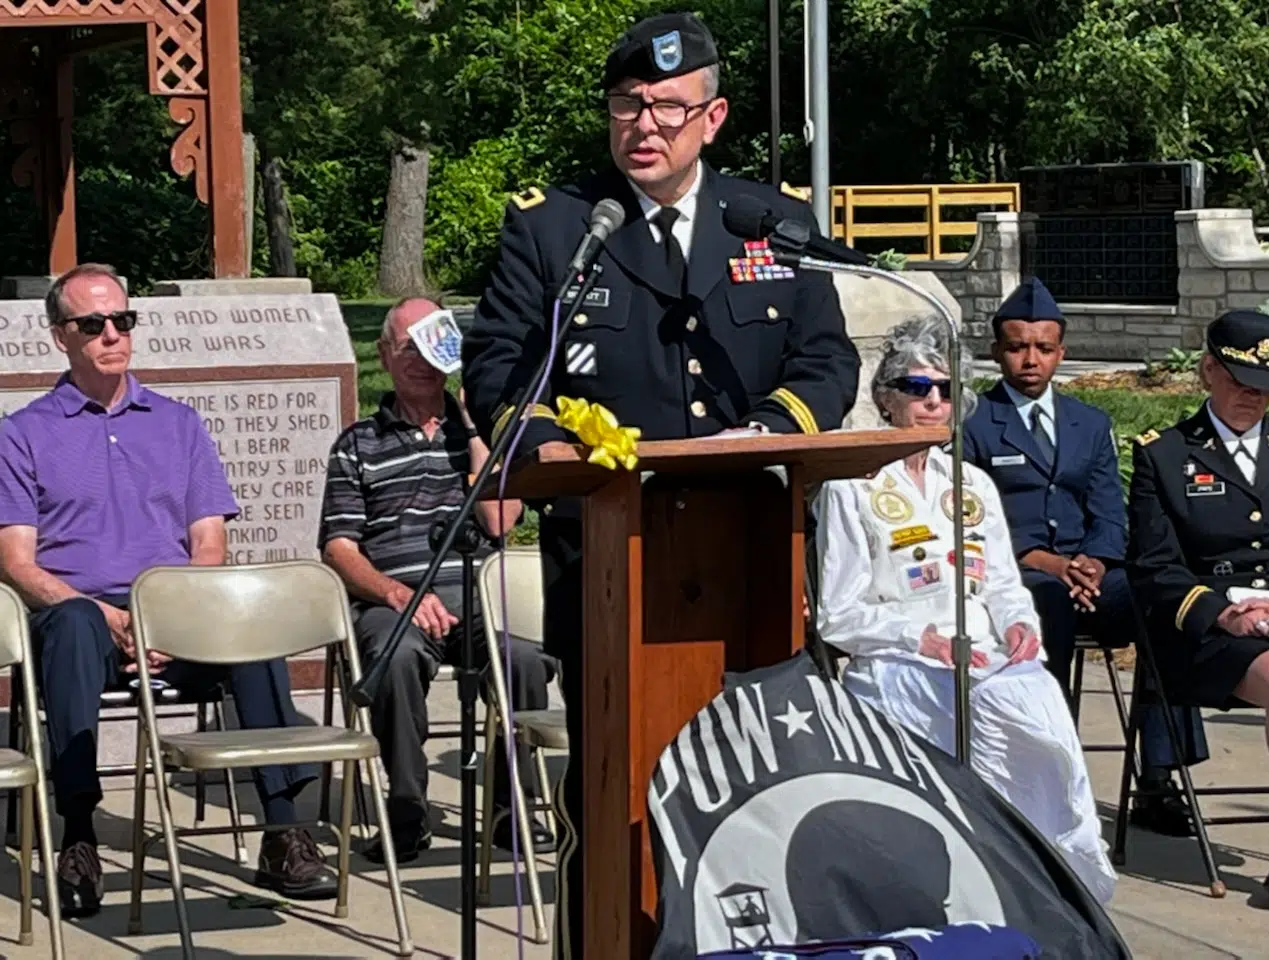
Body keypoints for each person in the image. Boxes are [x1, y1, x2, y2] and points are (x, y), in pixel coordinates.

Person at [461, 12, 860, 957]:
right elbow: (498, 372)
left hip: (752, 562)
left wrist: (767, 429)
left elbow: (827, 363)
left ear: (713, 117)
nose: (644, 124)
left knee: (758, 789)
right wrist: (566, 439)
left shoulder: (774, 222)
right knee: (613, 798)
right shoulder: (557, 227)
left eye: (668, 109)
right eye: (627, 105)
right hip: (607, 561)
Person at [0, 263, 335, 917]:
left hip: (175, 615)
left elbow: (209, 545)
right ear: (58, 336)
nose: (111, 335)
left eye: (122, 320)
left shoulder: (179, 424)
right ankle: (77, 834)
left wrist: (170, 620)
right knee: (69, 626)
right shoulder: (23, 433)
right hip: (82, 618)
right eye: (91, 324)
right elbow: (14, 561)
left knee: (250, 622)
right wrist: (103, 613)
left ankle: (281, 829)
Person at [815, 315, 1116, 906]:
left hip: (987, 657)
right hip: (902, 662)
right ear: (886, 398)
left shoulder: (973, 483)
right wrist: (920, 639)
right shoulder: (850, 485)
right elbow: (838, 616)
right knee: (972, 718)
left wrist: (1021, 626)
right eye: (917, 388)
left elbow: (1003, 583)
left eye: (947, 389)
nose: (933, 402)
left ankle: (1043, 879)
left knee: (1040, 720)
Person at [964, 277, 1208, 835]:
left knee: (1165, 605)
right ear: (997, 351)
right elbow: (975, 520)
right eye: (1017, 347)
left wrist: (1095, 563)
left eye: (1044, 348)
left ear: (1061, 353)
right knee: (1043, 602)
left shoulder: (1089, 423)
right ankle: (1044, 771)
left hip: (1091, 573)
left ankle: (1159, 780)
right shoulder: (974, 422)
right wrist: (1048, 563)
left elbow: (1108, 511)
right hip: (1020, 576)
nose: (1031, 360)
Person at [319, 297, 557, 864]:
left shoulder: (478, 439)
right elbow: (338, 548)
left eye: (434, 347)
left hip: (476, 596)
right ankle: (406, 809)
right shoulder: (358, 443)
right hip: (392, 599)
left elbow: (500, 520)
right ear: (385, 354)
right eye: (409, 348)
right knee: (394, 658)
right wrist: (398, 594)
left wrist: (475, 426)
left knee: (523, 661)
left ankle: (509, 805)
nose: (423, 361)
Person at [1127, 307, 1269, 893]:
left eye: (1267, 389)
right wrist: (1223, 614)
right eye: (1243, 383)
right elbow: (1155, 568)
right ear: (1208, 371)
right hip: (1214, 633)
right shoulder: (1164, 455)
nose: (1255, 399)